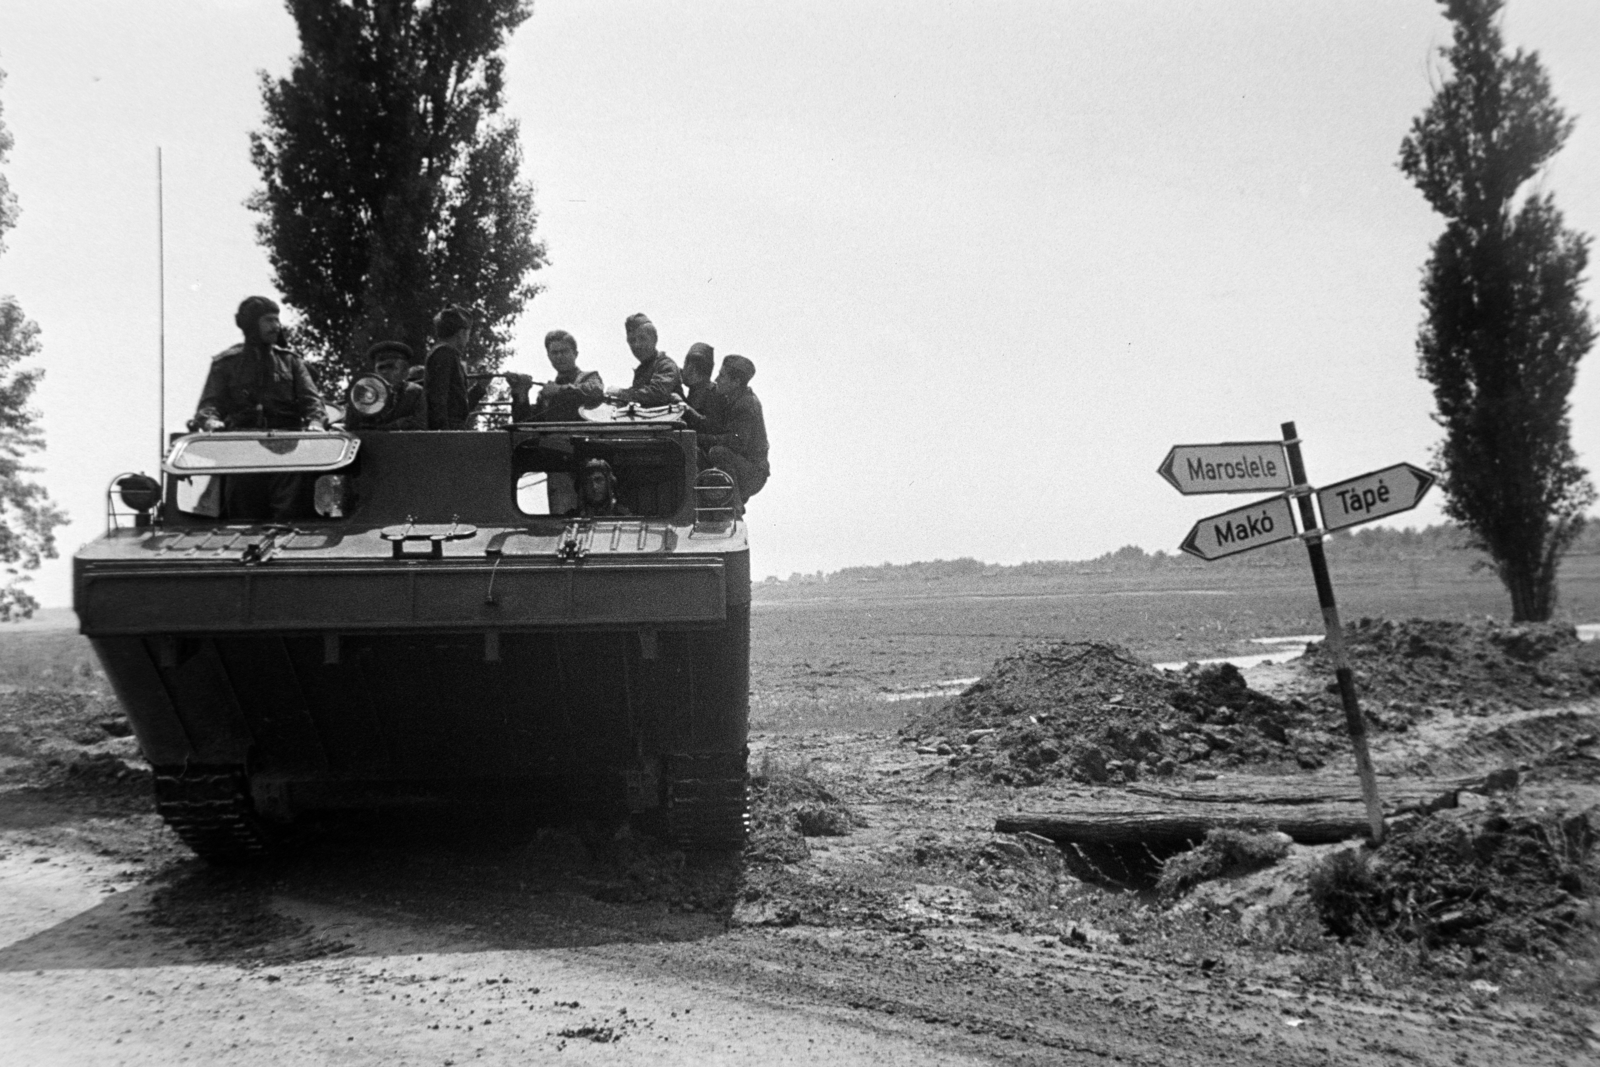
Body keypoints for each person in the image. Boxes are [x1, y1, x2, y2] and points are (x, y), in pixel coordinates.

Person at [191, 295, 325, 522]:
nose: (276, 326)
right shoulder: (226, 363)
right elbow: (209, 405)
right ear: (252, 324)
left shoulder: (291, 362)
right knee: (242, 515)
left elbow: (312, 401)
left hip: (288, 450)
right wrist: (211, 421)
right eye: (269, 320)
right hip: (243, 450)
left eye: (277, 320)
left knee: (290, 514)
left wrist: (315, 423)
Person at [700, 354, 769, 506]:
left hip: (753, 473)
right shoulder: (732, 397)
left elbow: (735, 441)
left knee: (718, 452)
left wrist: (702, 438)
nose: (717, 379)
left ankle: (733, 507)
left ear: (736, 382)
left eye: (722, 376)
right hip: (745, 466)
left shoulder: (745, 405)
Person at [507, 330, 605, 422]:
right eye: (554, 353)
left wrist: (559, 390)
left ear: (575, 354)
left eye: (564, 351)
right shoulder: (545, 392)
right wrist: (521, 393)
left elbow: (593, 391)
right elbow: (526, 424)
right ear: (549, 356)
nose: (559, 356)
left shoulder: (590, 377)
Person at [346, 341, 426, 431]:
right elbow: (351, 427)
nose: (384, 372)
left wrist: (387, 427)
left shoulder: (414, 392)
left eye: (391, 367)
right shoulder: (362, 393)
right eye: (381, 368)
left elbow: (420, 424)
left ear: (404, 372)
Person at [608, 313, 682, 407]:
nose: (637, 345)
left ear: (654, 339)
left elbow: (656, 394)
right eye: (632, 340)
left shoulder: (665, 365)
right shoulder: (643, 369)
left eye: (642, 338)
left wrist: (620, 392)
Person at [425, 305, 476, 430]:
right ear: (461, 333)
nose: (468, 338)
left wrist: (480, 387)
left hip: (452, 429)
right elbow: (438, 400)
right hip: (449, 431)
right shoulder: (444, 354)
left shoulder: (446, 353)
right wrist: (444, 436)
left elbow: (458, 402)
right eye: (468, 333)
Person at [680, 342, 724, 434]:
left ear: (693, 369)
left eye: (685, 365)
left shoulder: (712, 394)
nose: (683, 370)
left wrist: (684, 407)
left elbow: (710, 427)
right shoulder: (696, 391)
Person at [565, 458, 631, 518]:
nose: (594, 487)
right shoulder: (571, 517)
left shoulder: (622, 516)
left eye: (599, 480)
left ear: (609, 483)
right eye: (588, 482)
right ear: (583, 487)